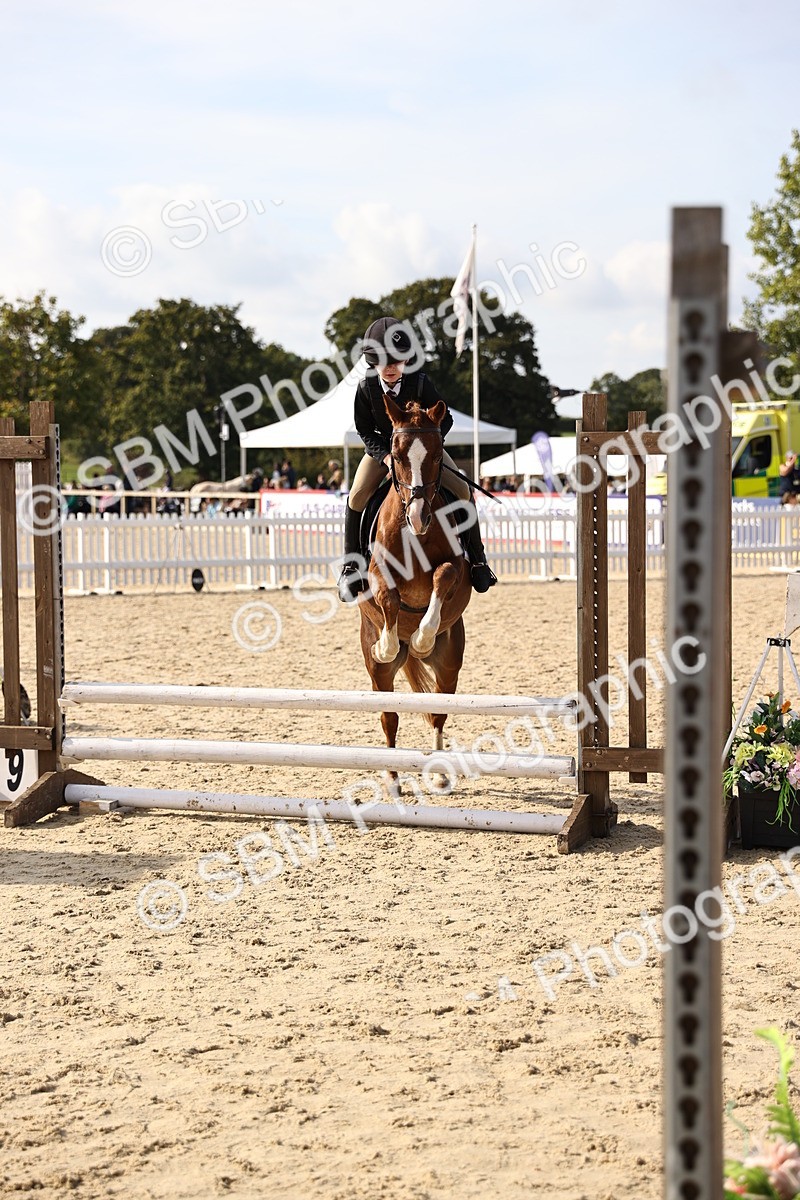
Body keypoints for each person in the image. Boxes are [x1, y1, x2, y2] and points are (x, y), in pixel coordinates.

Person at [337, 314, 497, 603]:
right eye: (383, 362)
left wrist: (429, 448)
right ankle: (352, 564)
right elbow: (363, 429)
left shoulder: (421, 383)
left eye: (396, 362)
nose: (390, 368)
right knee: (356, 496)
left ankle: (477, 560)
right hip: (384, 453)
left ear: (406, 361)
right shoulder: (365, 388)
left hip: (422, 453)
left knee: (463, 490)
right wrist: (386, 456)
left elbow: (444, 418)